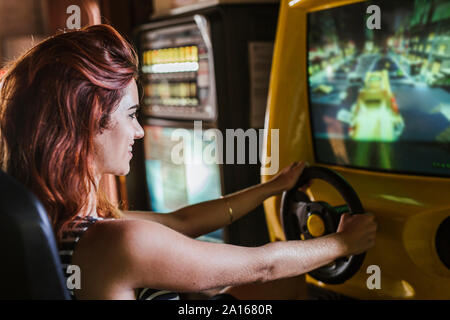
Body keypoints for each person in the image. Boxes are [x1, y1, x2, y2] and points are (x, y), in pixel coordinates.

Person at [0, 24, 377, 300]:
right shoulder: (119, 242)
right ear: (87, 124)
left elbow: (182, 222)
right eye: (131, 115)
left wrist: (273, 187)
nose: (140, 132)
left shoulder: (61, 223)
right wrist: (345, 242)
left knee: (269, 289)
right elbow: (264, 265)